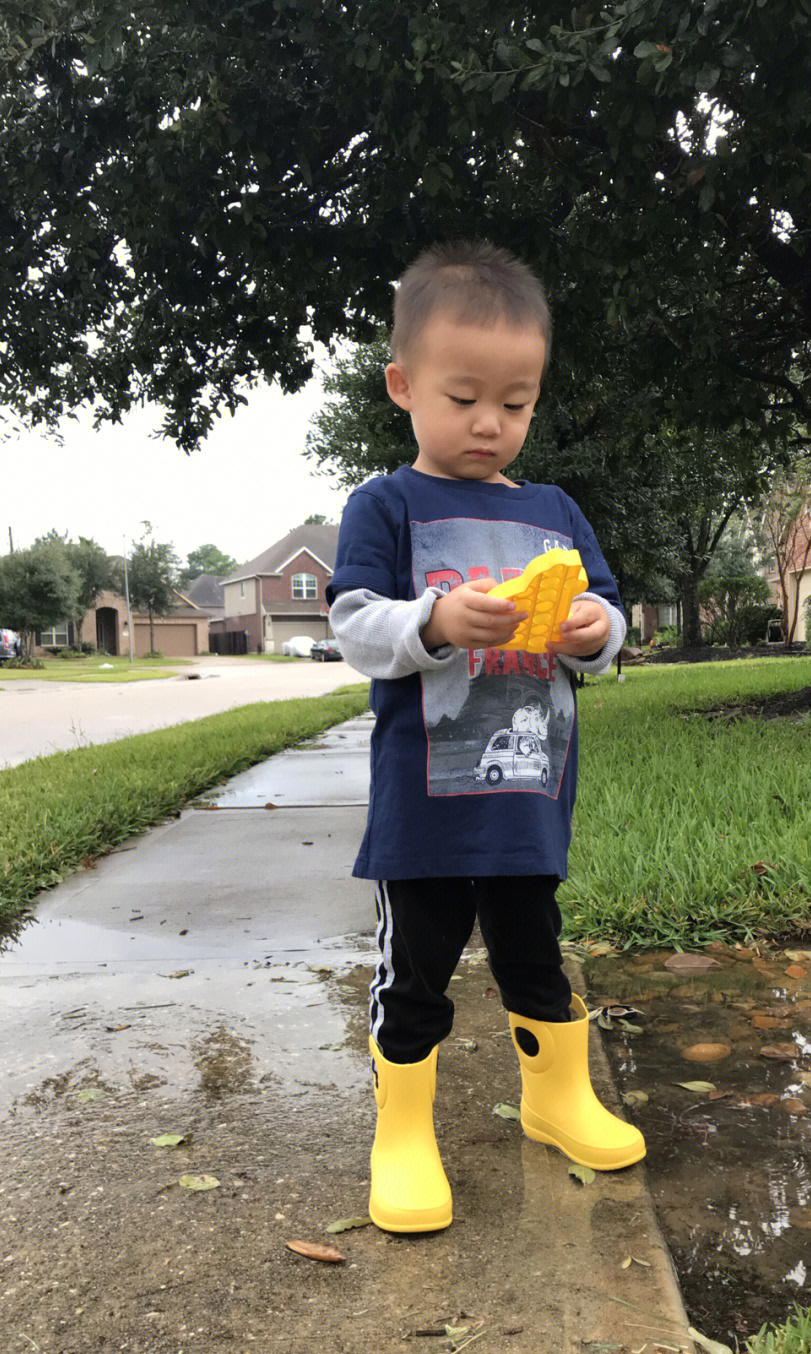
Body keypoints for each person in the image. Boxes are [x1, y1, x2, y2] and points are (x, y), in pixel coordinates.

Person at [327, 240, 645, 1234]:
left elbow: (606, 625)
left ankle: (558, 1100)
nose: (489, 423)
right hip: (424, 809)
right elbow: (353, 625)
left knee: (535, 958)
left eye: (515, 403)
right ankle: (404, 1131)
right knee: (414, 972)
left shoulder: (555, 514)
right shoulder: (387, 505)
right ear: (403, 384)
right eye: (464, 396)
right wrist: (432, 622)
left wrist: (600, 632)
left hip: (526, 796)